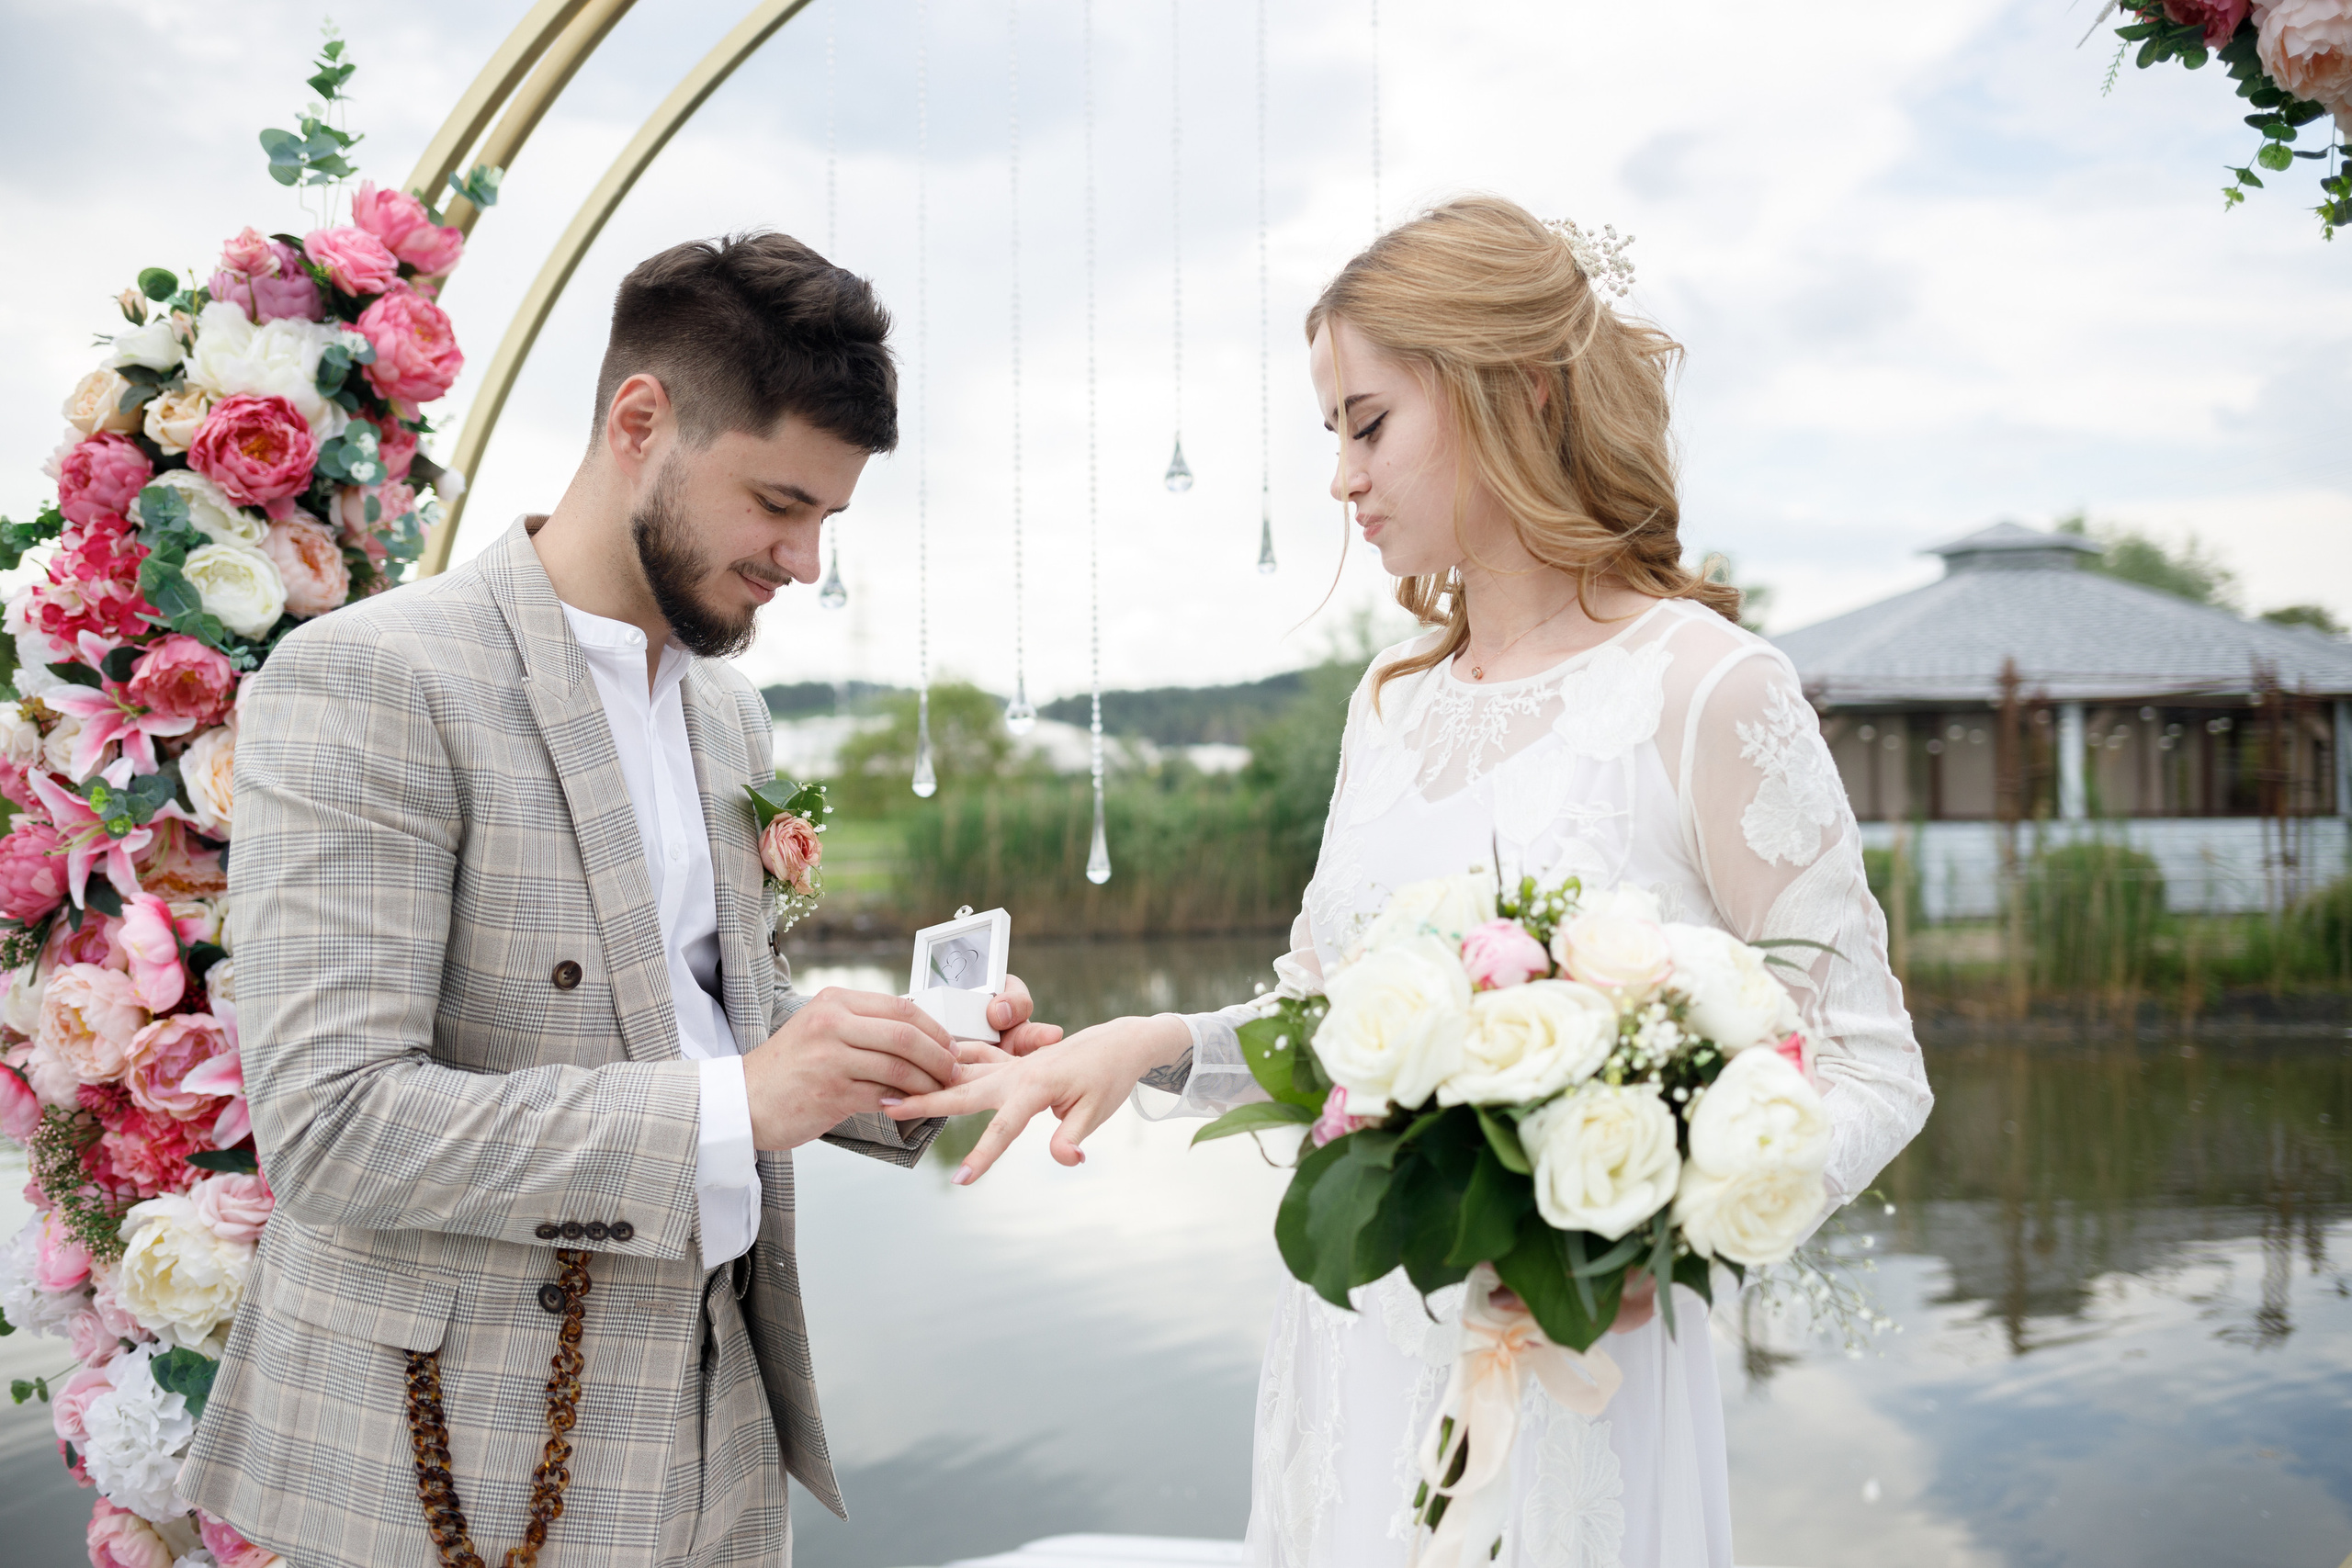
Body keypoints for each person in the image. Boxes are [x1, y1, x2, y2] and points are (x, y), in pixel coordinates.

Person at [884, 197, 1933, 1567]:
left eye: (1368, 422)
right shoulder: (1389, 703)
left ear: (1519, 398)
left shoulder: (1704, 687)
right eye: (1330, 432)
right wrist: (1141, 1045)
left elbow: (1869, 1064)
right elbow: (1325, 1025)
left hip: (1573, 1367)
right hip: (1351, 1345)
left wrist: (1661, 1238)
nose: (1340, 477)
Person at [178, 231, 1059, 1568]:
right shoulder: (370, 679)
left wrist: (908, 1068)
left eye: (828, 517)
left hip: (717, 1434)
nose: (804, 561)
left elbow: (710, 1026)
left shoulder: (729, 714)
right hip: (456, 1464)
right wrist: (744, 1098)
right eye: (780, 501)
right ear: (639, 420)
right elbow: (333, 1126)